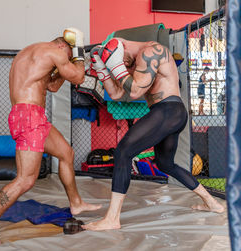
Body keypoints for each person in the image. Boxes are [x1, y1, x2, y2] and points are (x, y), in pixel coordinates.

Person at [82, 38, 224, 231]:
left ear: (122, 48)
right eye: (120, 64)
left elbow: (134, 92)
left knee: (123, 151)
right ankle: (212, 203)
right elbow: (115, 94)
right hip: (167, 113)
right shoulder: (131, 63)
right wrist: (102, 70)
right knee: (165, 163)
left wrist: (116, 66)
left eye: (120, 61)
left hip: (169, 110)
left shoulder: (152, 51)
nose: (122, 65)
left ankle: (112, 219)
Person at [0, 28, 102, 245]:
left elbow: (52, 86)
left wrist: (63, 69)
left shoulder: (32, 52)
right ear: (63, 47)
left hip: (34, 116)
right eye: (68, 55)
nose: (68, 60)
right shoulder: (56, 52)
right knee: (26, 179)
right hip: (29, 117)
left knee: (66, 153)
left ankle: (76, 202)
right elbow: (79, 76)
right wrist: (79, 54)